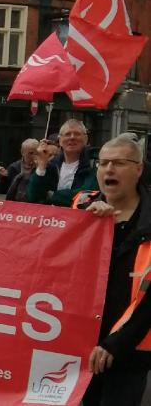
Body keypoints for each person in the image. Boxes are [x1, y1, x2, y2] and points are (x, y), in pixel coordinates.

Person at [73, 134, 151, 406]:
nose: (108, 170)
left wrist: (115, 344)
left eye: (119, 163)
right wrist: (86, 224)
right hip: (81, 344)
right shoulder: (81, 207)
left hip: (130, 349)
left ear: (138, 169)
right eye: (103, 163)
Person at [27, 119, 97, 206]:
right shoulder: (51, 165)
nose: (72, 137)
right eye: (67, 134)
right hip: (51, 219)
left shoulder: (94, 163)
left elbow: (88, 195)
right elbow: (32, 197)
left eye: (77, 134)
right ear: (60, 141)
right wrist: (41, 165)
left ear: (86, 139)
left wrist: (52, 195)